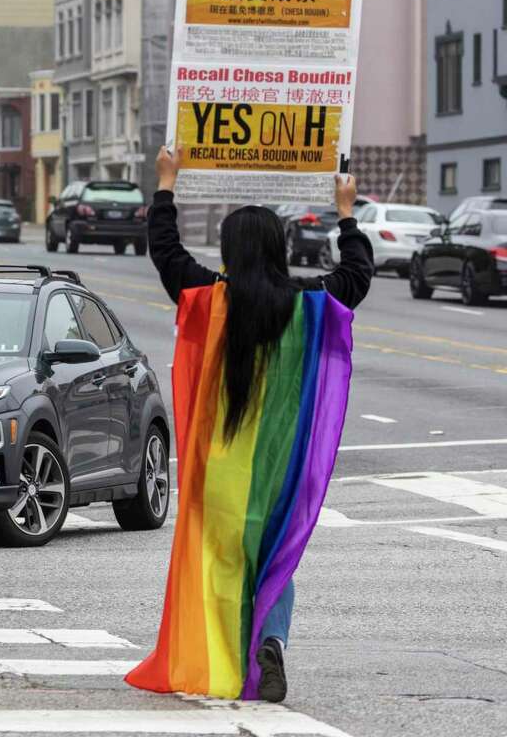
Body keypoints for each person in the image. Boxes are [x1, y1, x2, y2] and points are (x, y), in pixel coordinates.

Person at [125, 147, 373, 703]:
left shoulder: (209, 298)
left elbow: (165, 252)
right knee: (274, 558)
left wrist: (167, 183)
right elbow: (357, 276)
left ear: (230, 251)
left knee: (223, 556)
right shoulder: (310, 302)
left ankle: (228, 651)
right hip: (283, 465)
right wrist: (346, 212)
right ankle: (272, 640)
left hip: (220, 465)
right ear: (280, 250)